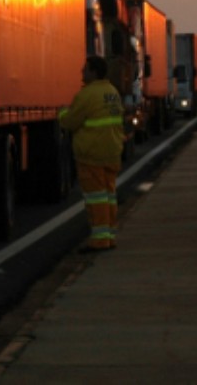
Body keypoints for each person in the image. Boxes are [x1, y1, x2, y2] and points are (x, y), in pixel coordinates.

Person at [59, 55, 126, 252]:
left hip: (92, 155)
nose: (82, 72)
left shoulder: (87, 95)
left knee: (96, 198)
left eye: (85, 69)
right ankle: (109, 236)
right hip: (112, 152)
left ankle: (99, 240)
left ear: (94, 72)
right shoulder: (112, 92)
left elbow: (70, 122)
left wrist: (62, 112)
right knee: (109, 196)